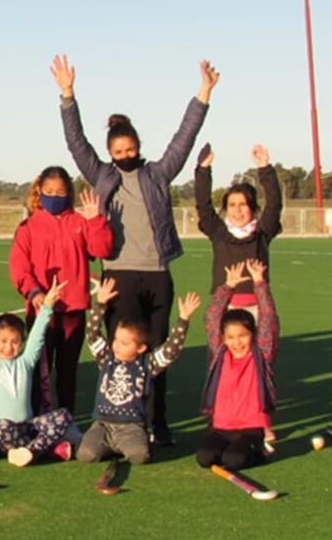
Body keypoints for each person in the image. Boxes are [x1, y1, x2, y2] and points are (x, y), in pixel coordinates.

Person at [52, 53, 219, 445]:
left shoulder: (157, 175)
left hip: (157, 275)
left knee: (156, 354)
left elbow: (184, 138)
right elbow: (76, 143)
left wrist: (204, 92)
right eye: (119, 151)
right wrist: (67, 95)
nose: (125, 156)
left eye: (130, 149)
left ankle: (157, 423)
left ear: (138, 147)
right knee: (120, 355)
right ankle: (117, 422)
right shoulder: (101, 175)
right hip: (119, 277)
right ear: (110, 153)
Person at [9, 166, 112, 415]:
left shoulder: (79, 222)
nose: (54, 197)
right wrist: (34, 292)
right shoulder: (28, 227)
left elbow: (102, 249)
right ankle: (36, 420)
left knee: (68, 371)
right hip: (41, 310)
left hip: (72, 310)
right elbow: (19, 267)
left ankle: (67, 420)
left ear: (69, 193)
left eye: (60, 192)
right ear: (39, 191)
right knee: (38, 371)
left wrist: (95, 220)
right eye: (49, 192)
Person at [77, 279, 200, 465]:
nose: (117, 346)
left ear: (141, 348)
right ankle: (110, 446)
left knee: (139, 456)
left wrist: (183, 319)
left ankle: (127, 444)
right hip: (102, 425)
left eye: (124, 343)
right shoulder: (106, 359)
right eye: (116, 340)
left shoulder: (147, 364)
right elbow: (92, 334)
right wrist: (100, 304)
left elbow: (171, 350)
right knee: (85, 454)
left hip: (131, 427)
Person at [0, 280, 80, 467]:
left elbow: (37, 337)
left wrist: (47, 306)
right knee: (1, 428)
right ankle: (45, 449)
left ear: (22, 343)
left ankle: (30, 451)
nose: (9, 347)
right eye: (3, 341)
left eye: (15, 341)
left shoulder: (26, 362)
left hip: (26, 429)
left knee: (64, 415)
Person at [196, 260, 279, 471]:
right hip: (221, 426)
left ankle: (259, 450)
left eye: (243, 335)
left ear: (253, 335)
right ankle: (231, 447)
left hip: (250, 427)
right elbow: (212, 317)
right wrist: (228, 286)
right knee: (205, 458)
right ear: (223, 338)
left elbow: (268, 318)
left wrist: (259, 283)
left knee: (234, 460)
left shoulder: (260, 354)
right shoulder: (220, 354)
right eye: (231, 337)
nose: (237, 342)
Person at [195, 144, 282, 308]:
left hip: (258, 308)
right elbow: (203, 205)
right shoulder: (219, 232)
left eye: (243, 204)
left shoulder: (261, 233)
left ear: (252, 208)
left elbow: (274, 205)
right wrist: (203, 170)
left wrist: (265, 168)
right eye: (232, 205)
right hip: (224, 308)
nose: (237, 210)